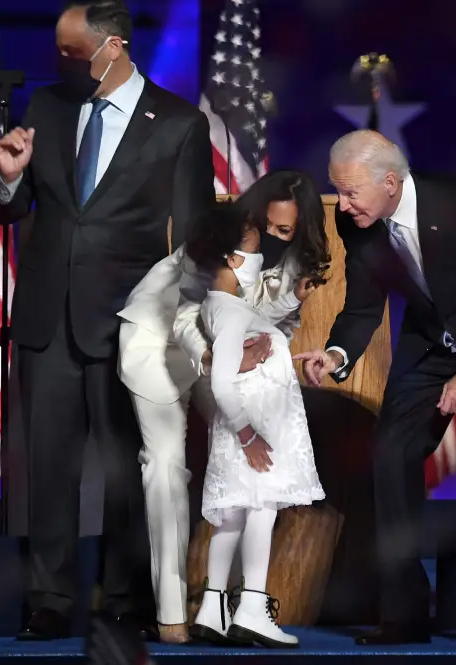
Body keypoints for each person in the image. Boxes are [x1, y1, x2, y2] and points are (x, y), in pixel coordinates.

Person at [0, 0, 215, 641]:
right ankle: (50, 599)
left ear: (112, 48)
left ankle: (124, 598)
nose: (58, 61)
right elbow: (15, 208)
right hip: (48, 319)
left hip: (130, 321)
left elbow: (193, 232)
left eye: (70, 50)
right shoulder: (47, 109)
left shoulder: (177, 123)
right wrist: (8, 180)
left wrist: (192, 324)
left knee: (127, 464)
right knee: (49, 468)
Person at [294, 130, 456, 647]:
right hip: (435, 345)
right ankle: (406, 614)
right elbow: (364, 304)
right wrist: (337, 353)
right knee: (390, 453)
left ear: (390, 183)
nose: (343, 205)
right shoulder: (361, 224)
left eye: (350, 192)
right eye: (338, 191)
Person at [117, 170, 330, 642]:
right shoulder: (221, 236)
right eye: (267, 227)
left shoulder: (292, 262)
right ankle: (172, 615)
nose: (273, 239)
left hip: (228, 357)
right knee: (168, 467)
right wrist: (219, 359)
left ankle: (224, 607)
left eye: (285, 232)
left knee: (250, 470)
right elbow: (193, 314)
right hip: (161, 347)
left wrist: (288, 302)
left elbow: (255, 319)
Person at [185, 202, 325, 648]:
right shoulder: (230, 314)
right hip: (254, 432)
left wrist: (291, 299)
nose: (260, 251)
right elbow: (222, 381)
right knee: (261, 514)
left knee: (232, 519)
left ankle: (212, 607)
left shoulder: (223, 304)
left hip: (242, 430)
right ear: (230, 257)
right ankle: (252, 606)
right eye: (251, 245)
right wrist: (248, 435)